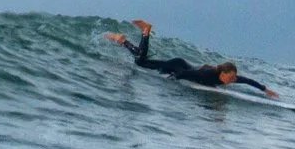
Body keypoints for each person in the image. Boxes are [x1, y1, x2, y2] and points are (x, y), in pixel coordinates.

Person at [105, 21, 279, 97]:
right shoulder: (208, 75)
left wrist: (265, 89)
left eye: (234, 78)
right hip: (177, 66)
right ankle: (140, 33)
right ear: (223, 73)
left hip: (181, 64)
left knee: (142, 60)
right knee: (141, 62)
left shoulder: (226, 77)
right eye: (231, 77)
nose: (233, 80)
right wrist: (172, 79)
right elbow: (185, 74)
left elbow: (247, 81)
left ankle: (125, 39)